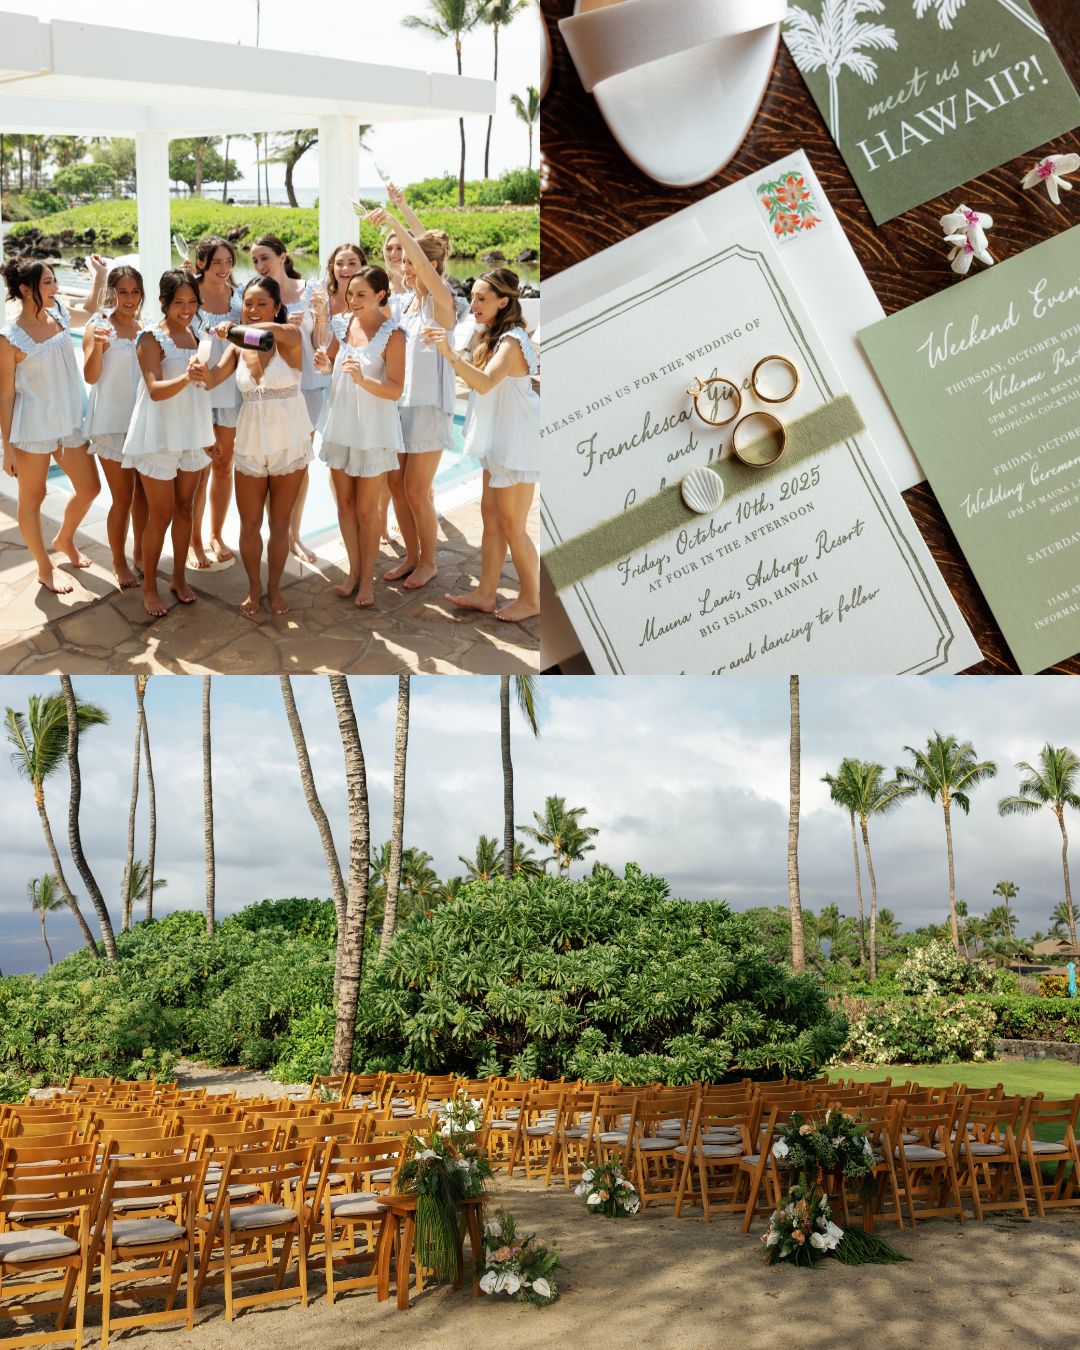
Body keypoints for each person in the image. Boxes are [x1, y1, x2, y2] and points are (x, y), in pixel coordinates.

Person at [427, 269, 540, 624]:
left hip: (515, 443)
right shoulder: (491, 335)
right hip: (498, 440)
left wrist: (448, 352)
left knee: (512, 524)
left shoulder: (512, 342)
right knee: (491, 518)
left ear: (504, 301)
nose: (473, 304)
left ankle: (533, 598)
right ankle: (485, 593)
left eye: (481, 298)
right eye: (472, 297)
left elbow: (486, 384)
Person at [206, 277, 312, 617]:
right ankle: (254, 588)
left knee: (279, 524)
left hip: (289, 442)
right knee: (249, 523)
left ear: (278, 307)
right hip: (251, 442)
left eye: (261, 303)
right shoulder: (237, 346)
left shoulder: (291, 336)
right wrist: (195, 370)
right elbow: (210, 380)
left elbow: (267, 332)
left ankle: (274, 588)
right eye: (248, 304)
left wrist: (235, 327)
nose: (252, 310)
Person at [0, 256, 106, 593]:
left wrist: (100, 277)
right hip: (33, 428)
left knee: (90, 488)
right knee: (33, 497)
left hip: (69, 421)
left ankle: (64, 539)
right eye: (47, 282)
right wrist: (7, 449)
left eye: (53, 281)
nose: (55, 287)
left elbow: (90, 309)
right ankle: (44, 568)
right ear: (25, 289)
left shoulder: (59, 312)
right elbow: (4, 397)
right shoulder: (9, 338)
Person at [365, 208, 457, 591]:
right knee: (398, 486)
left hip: (429, 410)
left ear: (429, 265)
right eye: (401, 260)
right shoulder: (405, 305)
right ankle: (413, 556)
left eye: (408, 260)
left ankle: (429, 562)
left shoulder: (441, 302)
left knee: (418, 491)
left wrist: (394, 220)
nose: (402, 266)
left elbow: (423, 266)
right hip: (399, 407)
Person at [121, 270, 213, 618]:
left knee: (185, 508)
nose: (186, 309)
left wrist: (206, 376)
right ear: (164, 302)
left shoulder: (198, 336)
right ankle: (149, 587)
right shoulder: (150, 338)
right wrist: (187, 376)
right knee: (159, 515)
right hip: (159, 435)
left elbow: (204, 387)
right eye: (179, 303)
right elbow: (156, 391)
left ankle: (178, 578)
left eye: (192, 302)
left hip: (191, 434)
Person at [313, 265, 405, 609]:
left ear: (381, 295)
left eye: (361, 294)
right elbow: (330, 367)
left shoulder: (393, 336)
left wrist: (363, 381)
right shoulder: (342, 325)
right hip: (341, 425)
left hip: (373, 430)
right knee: (345, 506)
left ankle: (368, 580)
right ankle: (352, 572)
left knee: (367, 511)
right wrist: (325, 361)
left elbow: (396, 389)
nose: (352, 300)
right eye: (350, 293)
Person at [250, 234, 322, 563]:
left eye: (265, 257)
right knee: (272, 461)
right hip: (270, 392)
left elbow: (322, 340)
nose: (261, 265)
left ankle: (293, 535)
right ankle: (276, 533)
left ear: (282, 256)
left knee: (299, 464)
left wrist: (312, 320)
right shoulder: (256, 295)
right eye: (254, 261)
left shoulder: (310, 290)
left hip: (306, 388)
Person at [82, 263, 148, 590]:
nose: (130, 298)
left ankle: (139, 553)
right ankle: (118, 562)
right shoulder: (98, 327)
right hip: (110, 422)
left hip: (142, 423)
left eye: (135, 291)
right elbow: (91, 377)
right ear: (112, 293)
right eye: (123, 291)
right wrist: (98, 347)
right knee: (122, 497)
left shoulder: (145, 327)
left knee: (144, 497)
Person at [189, 236, 242, 567]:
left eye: (228, 262)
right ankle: (194, 539)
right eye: (216, 262)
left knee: (223, 466)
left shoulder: (239, 300)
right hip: (195, 394)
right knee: (198, 470)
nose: (223, 269)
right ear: (201, 264)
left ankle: (216, 533)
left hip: (230, 393)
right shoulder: (188, 295)